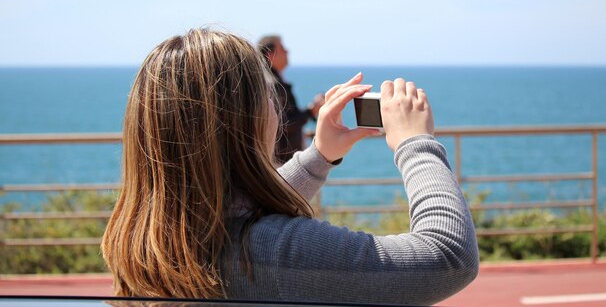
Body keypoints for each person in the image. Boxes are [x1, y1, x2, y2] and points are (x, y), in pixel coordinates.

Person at [101, 28, 479, 305]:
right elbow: (448, 257)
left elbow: (235, 208)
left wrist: (319, 155)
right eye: (267, 93)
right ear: (242, 119)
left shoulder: (141, 238)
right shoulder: (271, 251)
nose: (275, 105)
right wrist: (416, 144)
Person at [258, 35, 324, 163]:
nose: (287, 51)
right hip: (281, 162)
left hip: (278, 159)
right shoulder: (273, 84)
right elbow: (284, 123)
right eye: (282, 48)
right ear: (270, 55)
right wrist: (311, 111)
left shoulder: (268, 80)